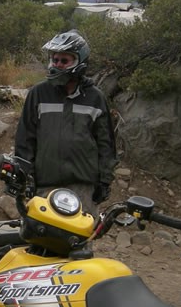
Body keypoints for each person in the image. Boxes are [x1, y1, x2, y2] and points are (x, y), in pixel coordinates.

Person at [15, 30, 117, 216]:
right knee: (41, 241)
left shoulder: (95, 98)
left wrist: (104, 181)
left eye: (64, 61)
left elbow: (106, 144)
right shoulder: (38, 94)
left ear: (80, 62)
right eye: (55, 60)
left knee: (80, 242)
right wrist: (26, 177)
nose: (57, 65)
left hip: (83, 188)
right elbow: (25, 140)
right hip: (45, 186)